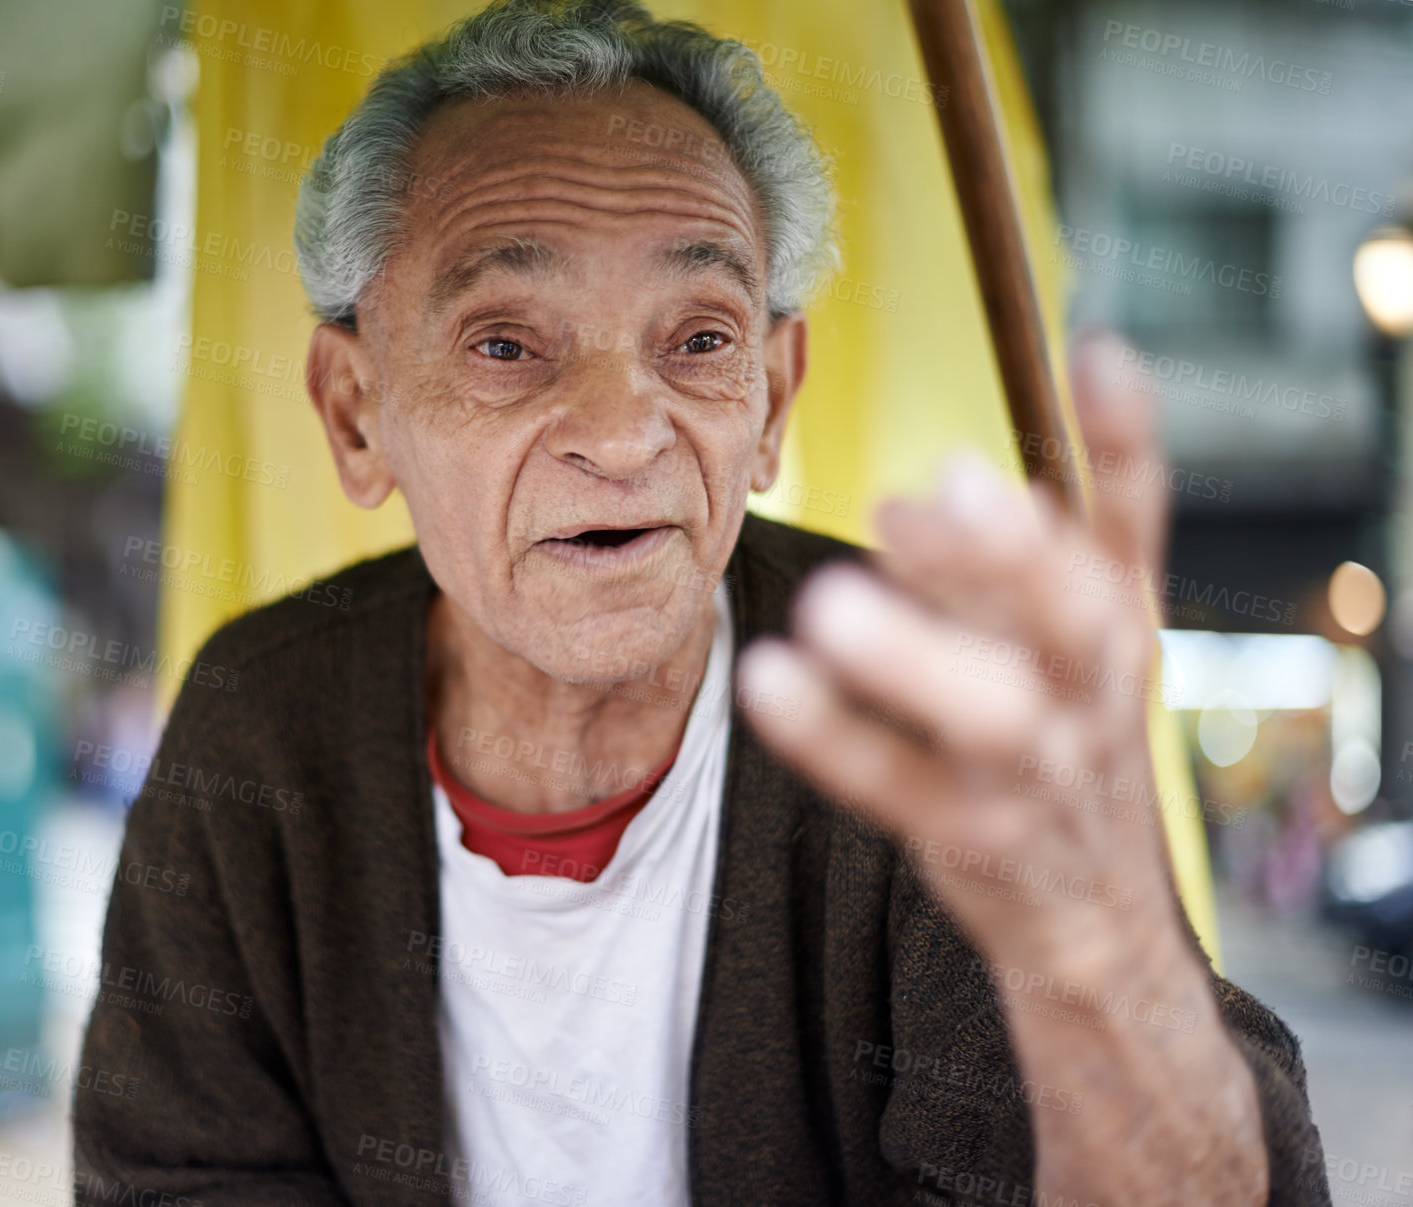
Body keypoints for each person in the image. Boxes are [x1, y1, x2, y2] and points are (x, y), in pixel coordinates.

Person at [74, 1, 1329, 1202]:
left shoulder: (931, 721)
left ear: (772, 402)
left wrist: (1115, 981)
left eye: (701, 340)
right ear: (356, 413)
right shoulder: (259, 721)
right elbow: (177, 1177)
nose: (624, 435)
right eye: (505, 343)